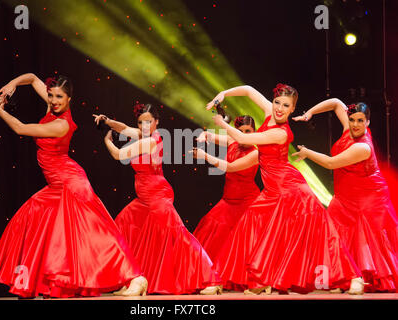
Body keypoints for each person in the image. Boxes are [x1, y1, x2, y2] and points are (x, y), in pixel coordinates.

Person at [0, 73, 147, 298]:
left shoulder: (61, 123)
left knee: (92, 234)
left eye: (59, 97)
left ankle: (134, 277)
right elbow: (32, 78)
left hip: (71, 183)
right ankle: (47, 284)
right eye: (51, 96)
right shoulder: (52, 108)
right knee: (35, 222)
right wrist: (11, 84)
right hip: (56, 185)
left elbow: (20, 129)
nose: (53, 100)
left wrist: (0, 111)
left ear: (69, 98)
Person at [208, 84, 363, 294]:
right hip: (272, 190)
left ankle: (353, 278)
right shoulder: (269, 112)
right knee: (247, 228)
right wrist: (223, 94)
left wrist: (221, 124)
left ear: (292, 110)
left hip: (291, 189)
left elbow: (243, 139)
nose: (279, 108)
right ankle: (237, 279)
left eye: (286, 106)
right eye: (277, 102)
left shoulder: (281, 133)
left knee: (321, 233)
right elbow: (248, 89)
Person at [95, 103, 222, 295]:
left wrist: (107, 140)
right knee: (124, 226)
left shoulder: (150, 141)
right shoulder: (143, 135)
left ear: (156, 122)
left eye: (148, 122)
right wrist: (108, 121)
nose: (144, 126)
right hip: (144, 198)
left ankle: (210, 278)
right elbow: (124, 128)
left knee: (178, 237)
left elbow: (119, 154)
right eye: (140, 122)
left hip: (156, 196)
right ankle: (132, 279)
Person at [293, 99, 398, 292]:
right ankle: (342, 277)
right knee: (333, 233)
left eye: (360, 121)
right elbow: (334, 103)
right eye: (352, 120)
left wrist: (308, 153)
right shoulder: (348, 129)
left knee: (364, 240)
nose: (355, 125)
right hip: (344, 197)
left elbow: (332, 163)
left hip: (368, 198)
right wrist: (310, 113)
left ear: (368, 122)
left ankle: (359, 278)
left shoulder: (363, 147)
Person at [191, 115, 260, 263]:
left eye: (248, 131)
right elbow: (209, 135)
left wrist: (205, 156)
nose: (243, 135)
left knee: (238, 239)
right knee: (211, 228)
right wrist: (204, 135)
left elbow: (231, 167)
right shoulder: (232, 140)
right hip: (228, 199)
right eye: (240, 131)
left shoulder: (256, 153)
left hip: (246, 202)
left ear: (254, 132)